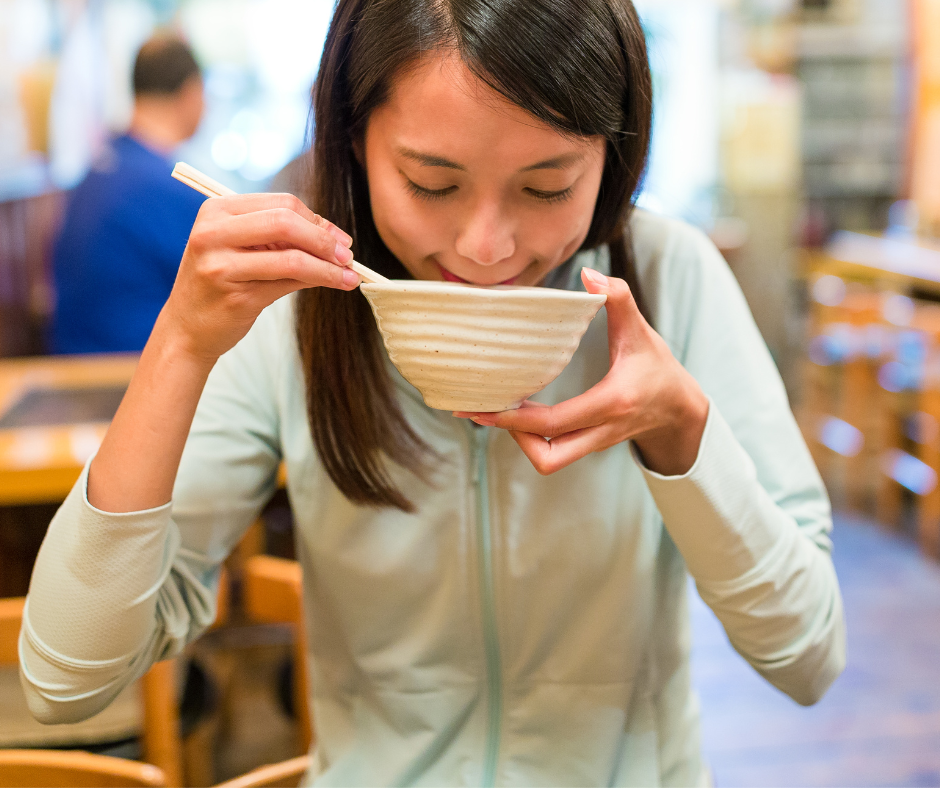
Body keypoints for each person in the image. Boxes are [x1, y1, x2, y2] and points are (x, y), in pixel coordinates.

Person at [21, 1, 845, 785]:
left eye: (547, 187)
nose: (486, 248)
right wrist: (180, 346)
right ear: (354, 141)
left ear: (615, 155)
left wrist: (683, 439)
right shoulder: (297, 311)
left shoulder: (669, 277)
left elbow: (808, 657)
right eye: (432, 183)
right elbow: (66, 680)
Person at [49, 34, 206, 354]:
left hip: (71, 359)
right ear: (191, 94)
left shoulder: (95, 173)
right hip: (127, 366)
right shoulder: (173, 190)